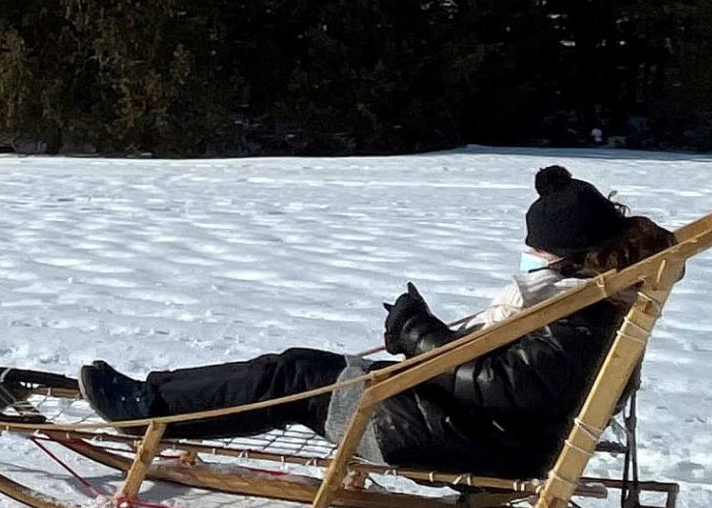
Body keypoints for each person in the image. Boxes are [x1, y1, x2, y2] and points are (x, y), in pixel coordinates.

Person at [73, 167, 675, 476]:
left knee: (295, 378)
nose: (529, 261)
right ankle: (160, 396)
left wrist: (416, 336)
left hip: (472, 441)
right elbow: (503, 377)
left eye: (536, 253)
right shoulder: (589, 301)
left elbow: (499, 386)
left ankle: (147, 411)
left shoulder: (578, 316)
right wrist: (419, 335)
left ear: (565, 255)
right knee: (298, 368)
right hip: (475, 427)